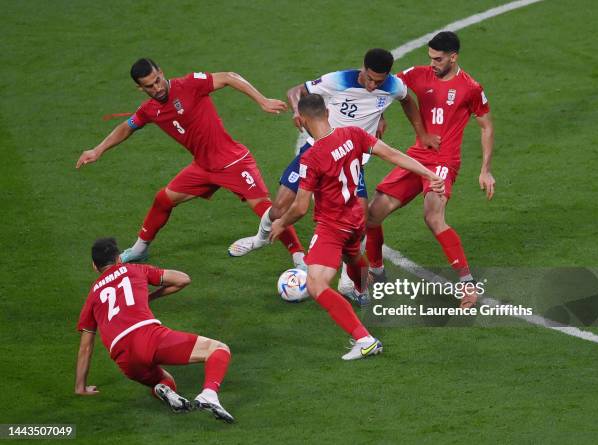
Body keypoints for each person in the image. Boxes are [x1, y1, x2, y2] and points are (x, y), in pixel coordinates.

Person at [228, 49, 439, 300]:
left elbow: (405, 102)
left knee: (357, 224)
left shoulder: (393, 86)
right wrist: (297, 111)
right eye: (369, 79)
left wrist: (414, 130)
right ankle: (260, 237)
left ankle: (349, 284)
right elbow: (297, 90)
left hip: (351, 156)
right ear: (363, 68)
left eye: (378, 82)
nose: (373, 86)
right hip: (315, 152)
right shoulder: (338, 80)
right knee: (278, 208)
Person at [76, 58, 305, 267]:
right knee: (163, 199)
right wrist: (98, 150)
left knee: (269, 211)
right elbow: (127, 126)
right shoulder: (150, 110)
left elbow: (227, 77)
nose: (157, 88)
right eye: (149, 86)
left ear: (161, 72)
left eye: (158, 80)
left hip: (233, 162)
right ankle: (139, 249)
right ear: (140, 88)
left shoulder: (188, 84)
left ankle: (299, 257)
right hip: (203, 168)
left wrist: (262, 100)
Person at [269, 94, 444, 359]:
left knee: (316, 285)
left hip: (332, 225)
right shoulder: (353, 134)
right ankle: (363, 290)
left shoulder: (312, 157)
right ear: (327, 112)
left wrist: (281, 222)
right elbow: (392, 154)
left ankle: (364, 340)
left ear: (303, 121)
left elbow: (301, 207)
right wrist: (429, 173)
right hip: (356, 218)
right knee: (352, 256)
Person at [365, 31, 495, 309]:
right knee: (372, 215)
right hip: (415, 157)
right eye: (430, 58)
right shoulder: (417, 74)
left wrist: (485, 169)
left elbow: (486, 126)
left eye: (438, 59)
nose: (433, 63)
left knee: (433, 217)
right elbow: (387, 87)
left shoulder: (470, 87)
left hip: (444, 162)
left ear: (453, 57)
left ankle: (467, 284)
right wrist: (382, 116)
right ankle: (376, 272)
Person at [75, 237, 234, 422]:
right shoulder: (134, 269)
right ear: (119, 259)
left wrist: (81, 387)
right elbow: (183, 280)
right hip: (148, 337)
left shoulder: (93, 295)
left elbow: (85, 347)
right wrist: (150, 297)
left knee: (166, 382)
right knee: (218, 349)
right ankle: (209, 394)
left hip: (123, 358)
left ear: (95, 266)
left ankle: (162, 390)